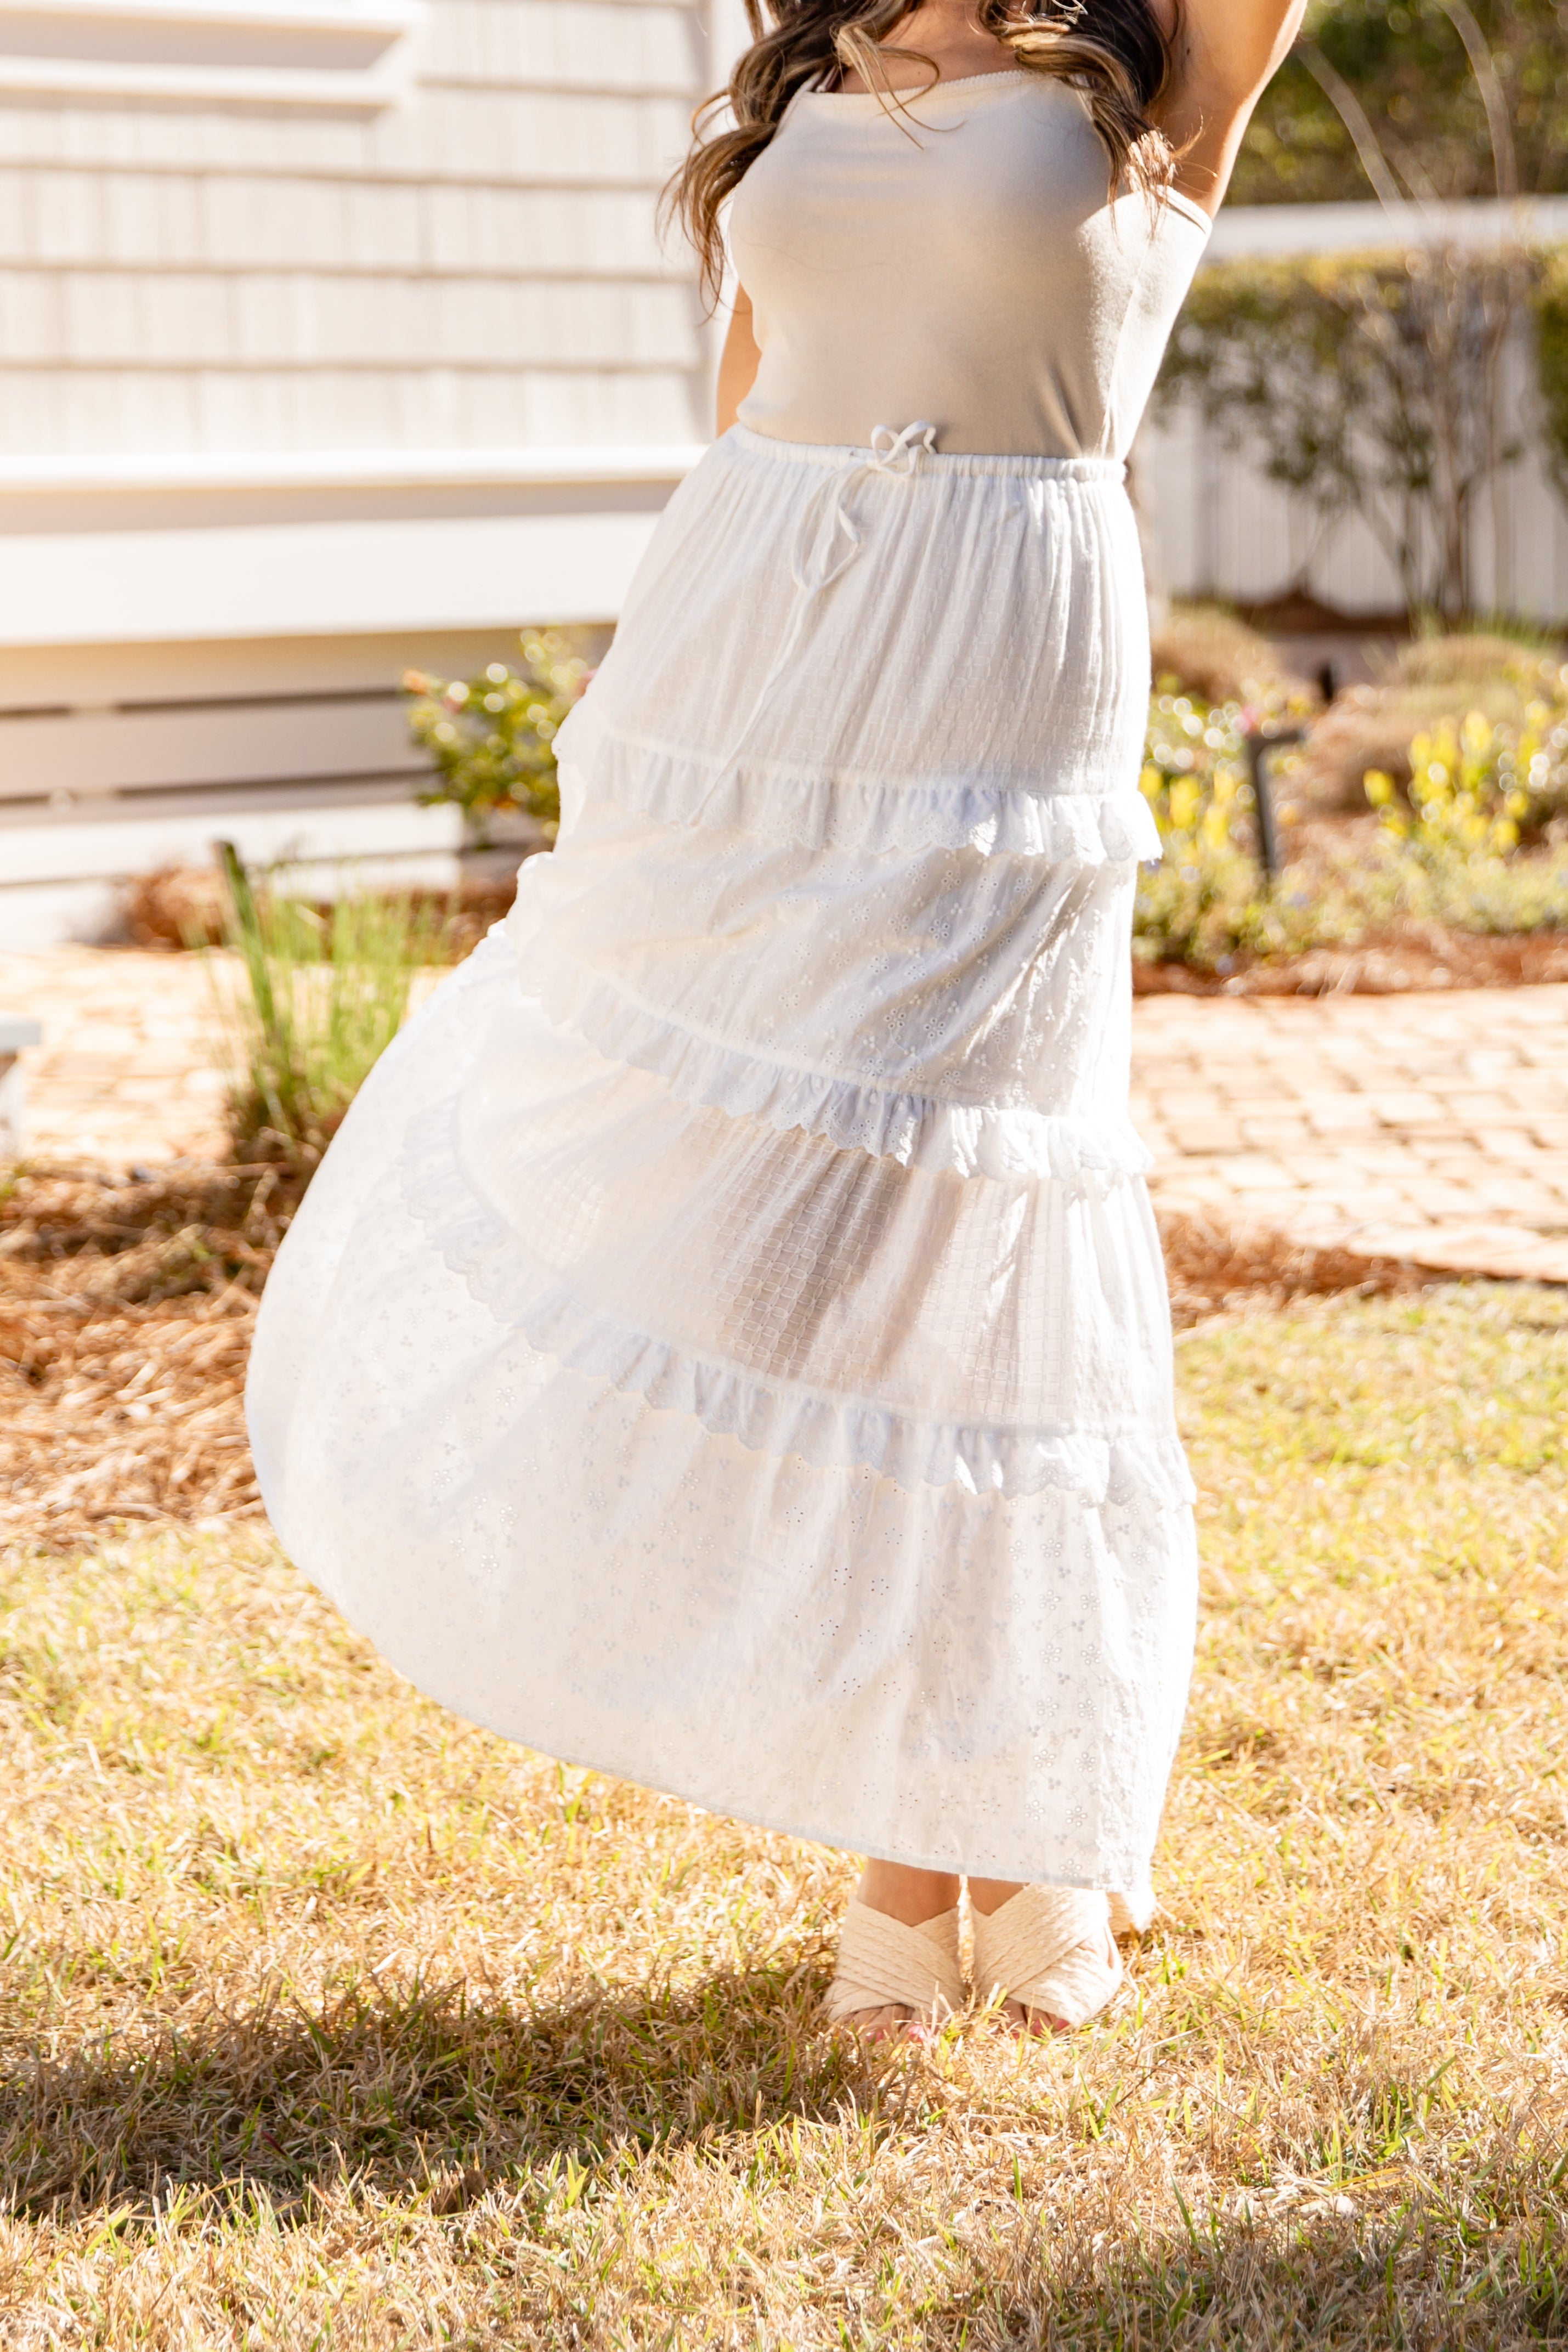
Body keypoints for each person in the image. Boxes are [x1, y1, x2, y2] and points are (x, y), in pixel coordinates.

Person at [247, 0, 1306, 2044]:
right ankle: (986, 1834)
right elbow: (745, 391)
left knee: (953, 1251)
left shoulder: (1159, 73)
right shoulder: (805, 66)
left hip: (1001, 671)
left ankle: (960, 1858)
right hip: (758, 673)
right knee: (805, 1271)